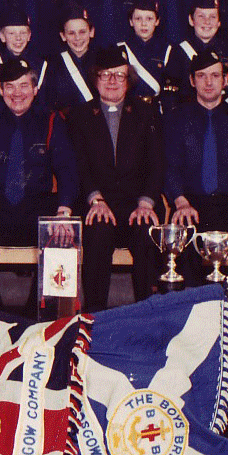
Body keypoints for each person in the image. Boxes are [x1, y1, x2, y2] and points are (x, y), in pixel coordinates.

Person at [0, 58, 79, 312]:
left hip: (36, 207)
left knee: (63, 236)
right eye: (9, 86)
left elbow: (67, 169)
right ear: (0, 90)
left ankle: (38, 316)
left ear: (35, 88)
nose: (17, 93)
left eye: (23, 86)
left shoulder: (51, 120)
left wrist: (63, 211)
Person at [162, 49, 228, 284]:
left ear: (226, 79)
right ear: (192, 81)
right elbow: (170, 167)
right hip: (192, 203)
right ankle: (191, 307)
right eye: (201, 76)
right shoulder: (177, 118)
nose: (208, 82)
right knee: (182, 230)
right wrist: (180, 202)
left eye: (215, 75)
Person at [67, 46, 162, 311]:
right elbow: (78, 165)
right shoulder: (79, 116)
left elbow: (157, 163)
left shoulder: (147, 113)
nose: (112, 81)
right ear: (95, 78)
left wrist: (146, 202)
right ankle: (94, 318)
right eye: (105, 75)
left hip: (136, 203)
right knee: (98, 232)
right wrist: (95, 199)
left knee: (146, 233)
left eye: (119, 75)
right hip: (97, 201)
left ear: (128, 80)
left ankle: (147, 315)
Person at [162, 0, 228, 109]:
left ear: (219, 22)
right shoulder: (178, 52)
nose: (207, 22)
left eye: (212, 17)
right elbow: (170, 96)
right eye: (201, 16)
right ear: (191, 20)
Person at [0, 2, 45, 116]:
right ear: (2, 36)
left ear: (29, 35)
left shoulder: (40, 64)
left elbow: (42, 103)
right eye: (11, 33)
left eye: (23, 33)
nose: (18, 38)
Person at [41, 3, 98, 114]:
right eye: (71, 33)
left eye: (82, 32)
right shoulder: (52, 65)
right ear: (63, 36)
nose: (77, 38)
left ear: (91, 32)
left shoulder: (102, 60)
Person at [119, 0, 168, 103]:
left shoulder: (167, 49)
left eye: (149, 19)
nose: (144, 24)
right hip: (130, 110)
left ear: (157, 21)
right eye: (138, 19)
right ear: (131, 22)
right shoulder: (121, 49)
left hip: (156, 111)